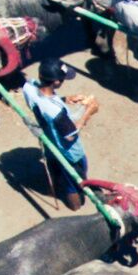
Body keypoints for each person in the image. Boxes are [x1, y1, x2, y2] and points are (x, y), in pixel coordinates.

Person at [22, 60, 97, 209]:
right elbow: (70, 135)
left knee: (54, 167)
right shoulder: (56, 112)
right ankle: (75, 205)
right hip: (69, 152)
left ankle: (55, 185)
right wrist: (89, 112)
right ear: (56, 82)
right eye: (62, 79)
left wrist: (64, 99)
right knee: (74, 182)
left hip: (49, 141)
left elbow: (44, 98)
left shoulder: (29, 88)